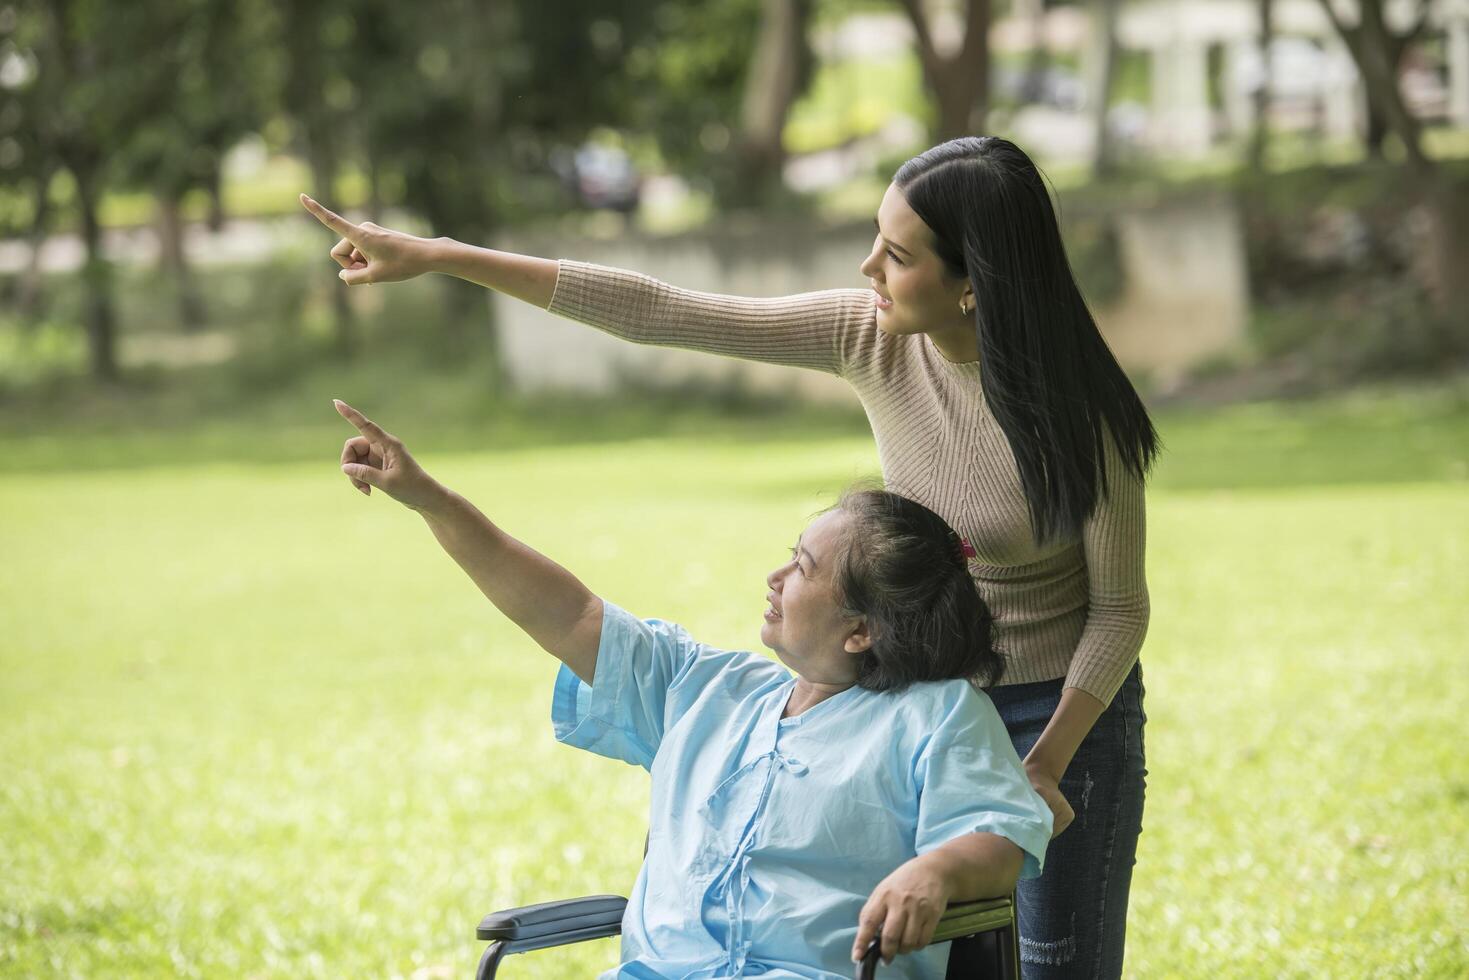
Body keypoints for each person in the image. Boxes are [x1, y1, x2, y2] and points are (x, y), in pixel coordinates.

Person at [301, 134, 1157, 978]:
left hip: (1062, 706)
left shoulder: (1078, 416)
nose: (867, 270)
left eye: (895, 256)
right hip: (913, 684)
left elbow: (1118, 609)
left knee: (1054, 964)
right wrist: (445, 257)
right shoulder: (871, 337)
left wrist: (1041, 761)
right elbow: (664, 311)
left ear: (972, 282)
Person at [329, 398, 1052, 979]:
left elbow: (998, 835)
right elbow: (569, 613)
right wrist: (429, 499)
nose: (775, 578)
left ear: (859, 631)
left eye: (801, 568)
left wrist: (932, 870)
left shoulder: (935, 716)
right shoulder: (707, 691)